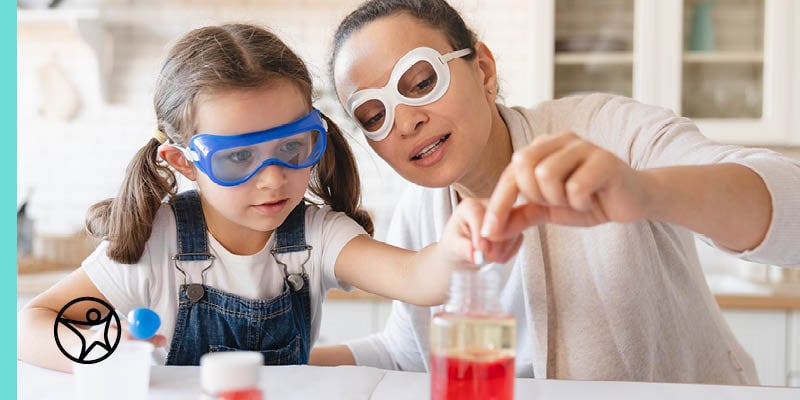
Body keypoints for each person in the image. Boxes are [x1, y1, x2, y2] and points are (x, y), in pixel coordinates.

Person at [311, 0, 800, 385]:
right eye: (374, 116)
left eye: (421, 83)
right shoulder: (420, 216)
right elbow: (407, 354)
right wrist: (271, 364)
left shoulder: (606, 131)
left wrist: (647, 191)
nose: (406, 121)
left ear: (483, 69)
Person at [16, 23, 521, 372]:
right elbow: (32, 325)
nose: (273, 179)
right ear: (184, 162)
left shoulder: (317, 234)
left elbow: (418, 278)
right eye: (238, 158)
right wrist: (114, 355)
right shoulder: (156, 242)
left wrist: (456, 246)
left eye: (291, 148)